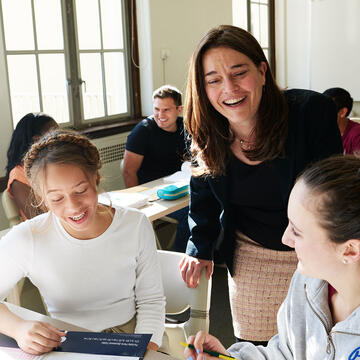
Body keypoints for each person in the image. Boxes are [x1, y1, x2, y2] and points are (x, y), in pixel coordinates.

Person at [179, 25, 343, 345]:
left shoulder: (309, 113)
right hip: (252, 253)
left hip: (315, 248)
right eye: (213, 80)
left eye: (239, 73)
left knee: (318, 343)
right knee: (255, 345)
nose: (229, 88)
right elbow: (203, 195)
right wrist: (200, 246)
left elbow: (333, 192)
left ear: (263, 71)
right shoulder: (203, 130)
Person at [0, 128, 165, 355]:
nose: (73, 207)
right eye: (57, 198)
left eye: (81, 190)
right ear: (41, 196)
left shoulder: (135, 225)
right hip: (67, 343)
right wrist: (19, 328)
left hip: (133, 337)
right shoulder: (29, 237)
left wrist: (143, 349)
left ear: (96, 178)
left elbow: (151, 301)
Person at [184, 155, 360, 359]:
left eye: (297, 231)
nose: (285, 239)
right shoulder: (306, 284)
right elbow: (285, 352)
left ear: (350, 250)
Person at [123, 84, 190, 252]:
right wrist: (138, 208)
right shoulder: (143, 132)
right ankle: (180, 261)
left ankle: (203, 254)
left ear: (179, 110)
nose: (160, 115)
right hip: (152, 194)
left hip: (178, 188)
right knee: (192, 216)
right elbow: (128, 171)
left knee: (214, 205)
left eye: (166, 110)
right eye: (156, 109)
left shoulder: (185, 127)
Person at [5, 112, 58, 220]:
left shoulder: (53, 163)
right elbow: (38, 219)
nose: (61, 138)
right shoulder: (18, 174)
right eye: (55, 135)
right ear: (37, 140)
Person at [323, 87, 360, 154]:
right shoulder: (319, 131)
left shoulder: (357, 135)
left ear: (342, 112)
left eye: (326, 111)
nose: (321, 115)